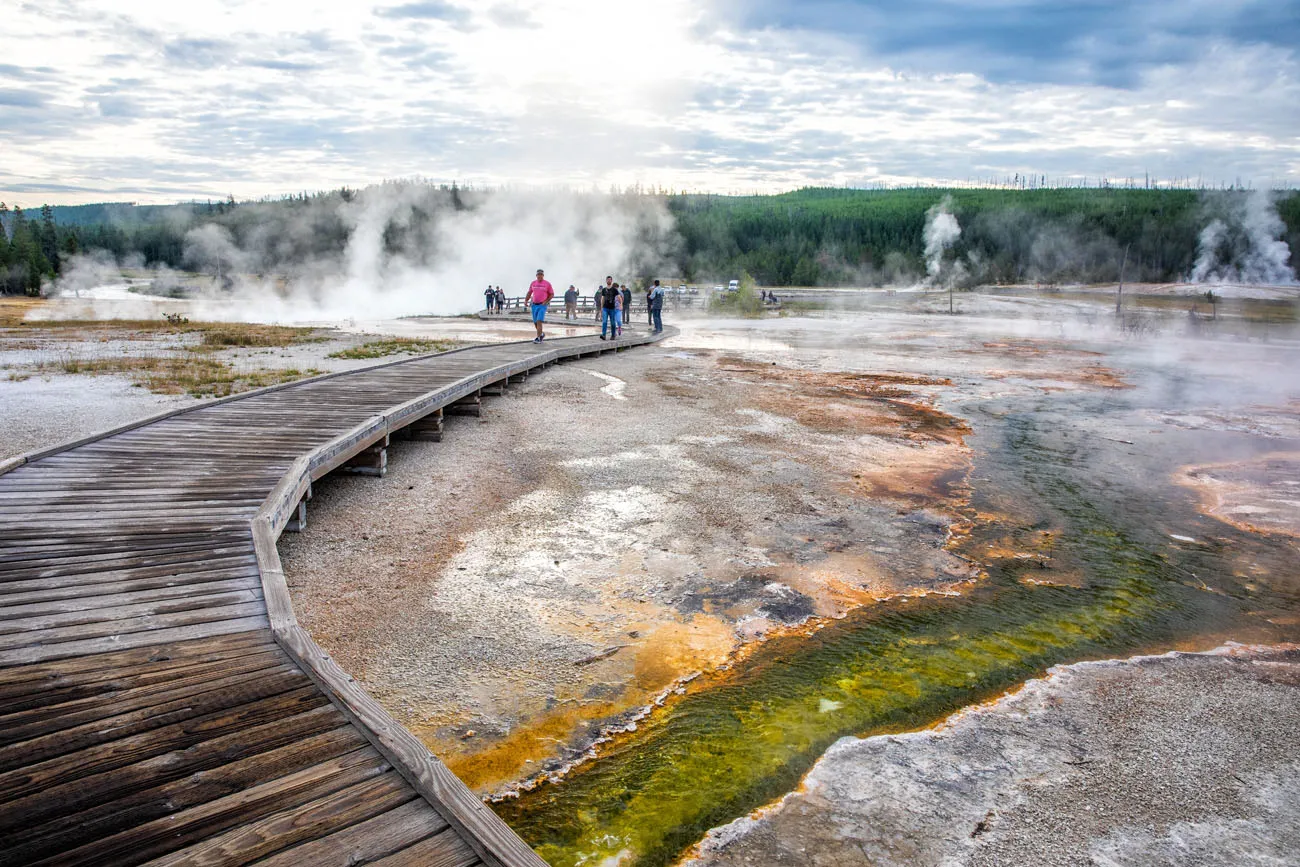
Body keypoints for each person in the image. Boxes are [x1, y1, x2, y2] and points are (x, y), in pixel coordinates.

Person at [527, 269, 554, 342]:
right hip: (534, 305)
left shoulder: (547, 284)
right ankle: (541, 334)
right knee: (535, 322)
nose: (539, 276)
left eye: (541, 274)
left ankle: (538, 338)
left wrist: (546, 301)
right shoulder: (533, 283)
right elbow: (529, 292)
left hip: (542, 305)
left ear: (543, 275)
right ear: (536, 275)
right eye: (538, 274)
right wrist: (526, 300)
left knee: (539, 321)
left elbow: (552, 294)